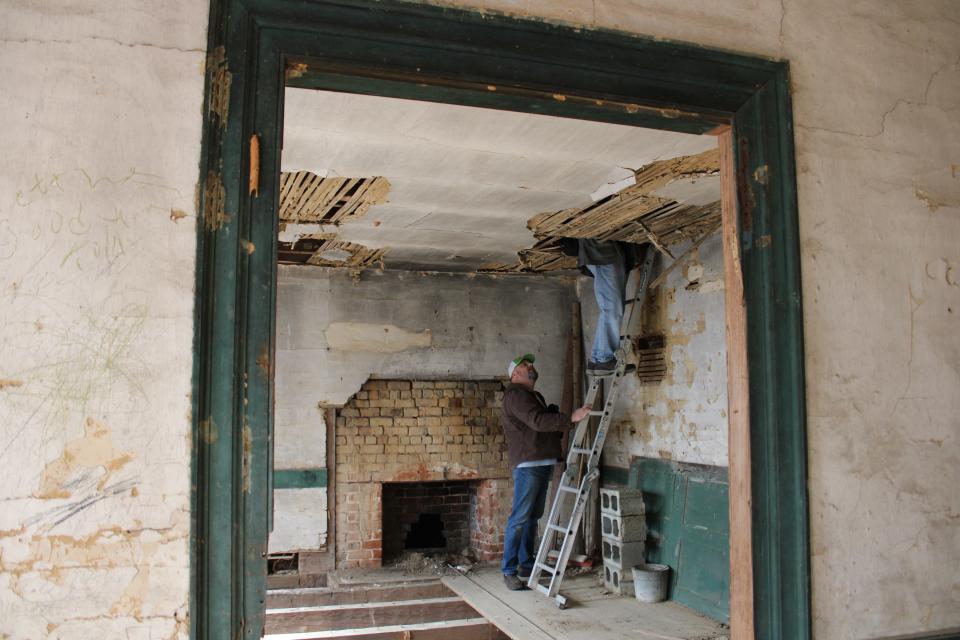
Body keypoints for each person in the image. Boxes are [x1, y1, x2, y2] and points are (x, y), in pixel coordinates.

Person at [500, 353, 592, 591]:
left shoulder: (533, 396)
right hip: (529, 465)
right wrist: (570, 418)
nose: (531, 366)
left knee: (532, 517)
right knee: (520, 518)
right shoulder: (515, 395)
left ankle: (525, 563)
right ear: (516, 373)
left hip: (540, 462)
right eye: (525, 364)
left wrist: (555, 419)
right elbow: (537, 421)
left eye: (530, 363)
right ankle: (508, 571)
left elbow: (541, 423)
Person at [564, 238, 637, 375]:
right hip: (603, 255)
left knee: (613, 308)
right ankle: (603, 358)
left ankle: (599, 358)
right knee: (612, 309)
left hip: (606, 254)